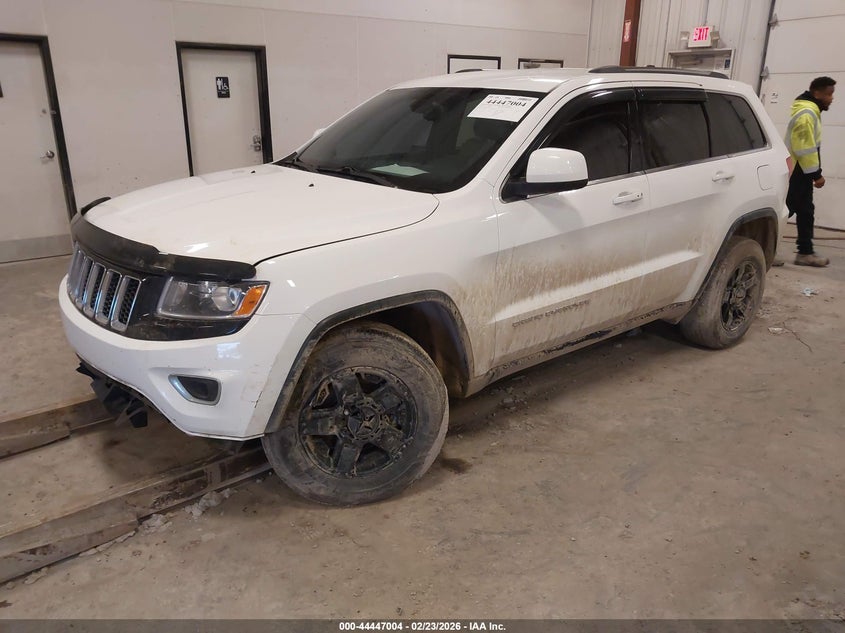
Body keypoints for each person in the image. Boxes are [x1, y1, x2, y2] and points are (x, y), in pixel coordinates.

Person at [785, 76, 836, 267]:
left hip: (800, 170)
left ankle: (804, 252)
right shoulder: (807, 114)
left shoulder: (811, 111)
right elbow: (804, 148)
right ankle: (803, 252)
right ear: (817, 93)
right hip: (799, 171)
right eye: (829, 94)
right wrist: (816, 174)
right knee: (792, 209)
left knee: (802, 210)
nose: (832, 98)